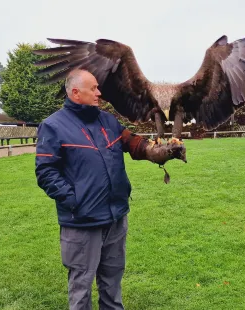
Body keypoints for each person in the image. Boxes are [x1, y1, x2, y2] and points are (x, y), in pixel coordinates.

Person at [35, 69, 185, 310]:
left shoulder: (107, 121)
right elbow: (46, 173)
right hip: (82, 223)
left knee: (112, 283)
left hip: (116, 217)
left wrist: (157, 152)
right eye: (93, 88)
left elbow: (133, 144)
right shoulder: (53, 126)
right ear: (76, 93)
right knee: (81, 287)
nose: (99, 92)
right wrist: (75, 201)